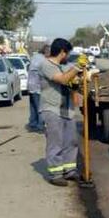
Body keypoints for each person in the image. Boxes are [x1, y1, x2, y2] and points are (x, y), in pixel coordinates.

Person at [38, 38, 83, 187]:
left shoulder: (63, 66)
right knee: (55, 142)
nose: (68, 56)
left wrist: (78, 77)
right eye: (68, 53)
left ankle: (69, 169)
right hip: (52, 109)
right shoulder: (45, 65)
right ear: (62, 52)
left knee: (71, 140)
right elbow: (63, 80)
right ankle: (56, 174)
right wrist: (77, 68)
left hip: (67, 109)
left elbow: (71, 78)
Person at [27, 45, 49, 131]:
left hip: (30, 85)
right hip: (38, 87)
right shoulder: (43, 60)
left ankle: (32, 123)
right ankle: (40, 125)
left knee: (33, 106)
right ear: (47, 52)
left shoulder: (35, 57)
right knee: (41, 108)